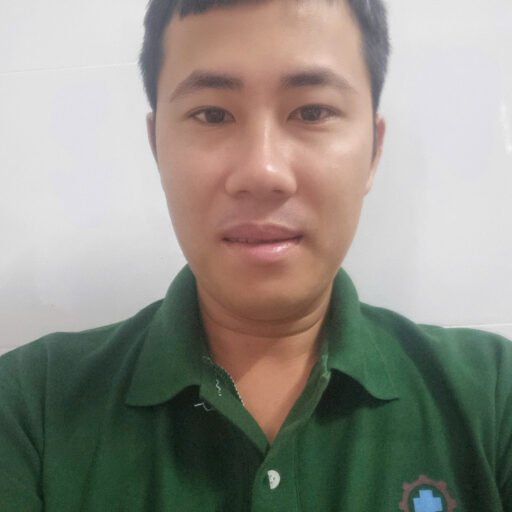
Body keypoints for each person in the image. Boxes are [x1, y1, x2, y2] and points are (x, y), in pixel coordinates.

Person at [1, 0, 510, 510]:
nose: (262, 172)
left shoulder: (494, 396)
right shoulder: (28, 408)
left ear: (374, 151)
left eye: (312, 112)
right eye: (212, 114)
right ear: (157, 147)